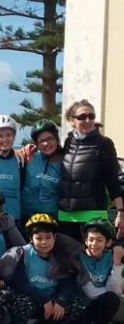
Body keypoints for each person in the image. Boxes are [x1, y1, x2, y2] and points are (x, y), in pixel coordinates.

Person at [0, 213, 88, 324]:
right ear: (31, 239)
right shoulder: (22, 254)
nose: (44, 242)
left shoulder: (62, 254)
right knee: (20, 303)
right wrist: (43, 300)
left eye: (48, 237)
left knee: (76, 303)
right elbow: (19, 284)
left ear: (54, 238)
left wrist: (61, 301)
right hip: (31, 298)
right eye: (39, 238)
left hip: (53, 299)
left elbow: (67, 282)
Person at [56, 100, 124, 241]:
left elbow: (113, 180)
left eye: (91, 116)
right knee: (67, 261)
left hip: (92, 216)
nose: (87, 120)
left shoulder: (104, 143)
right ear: (71, 120)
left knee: (89, 260)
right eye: (82, 117)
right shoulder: (68, 142)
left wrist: (121, 212)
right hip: (66, 216)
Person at [77, 218, 122, 324]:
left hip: (102, 303)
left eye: (99, 240)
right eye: (90, 239)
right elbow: (89, 291)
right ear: (85, 241)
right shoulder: (77, 257)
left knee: (111, 299)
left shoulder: (112, 256)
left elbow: (115, 291)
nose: (94, 244)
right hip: (82, 305)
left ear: (108, 243)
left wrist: (117, 264)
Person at [21, 120, 62, 223]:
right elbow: (2, 150)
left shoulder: (66, 163)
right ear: (36, 144)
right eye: (41, 141)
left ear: (57, 139)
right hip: (26, 218)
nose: (46, 143)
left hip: (53, 221)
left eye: (50, 139)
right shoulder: (28, 157)